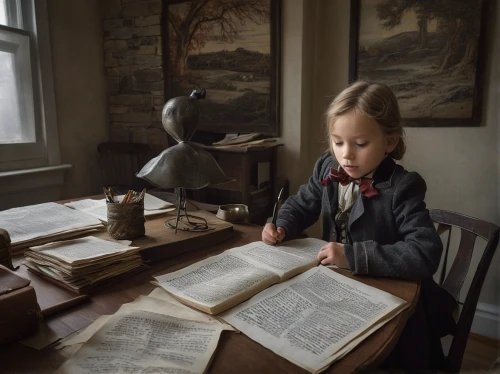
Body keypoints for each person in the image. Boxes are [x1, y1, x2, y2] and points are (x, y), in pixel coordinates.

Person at [262, 81, 456, 370]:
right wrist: (281, 224)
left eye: (360, 144)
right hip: (338, 290)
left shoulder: (403, 186)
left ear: (389, 142)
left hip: (394, 305)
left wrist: (352, 255)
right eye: (337, 142)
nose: (346, 155)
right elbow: (301, 204)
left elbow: (425, 252)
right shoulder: (328, 166)